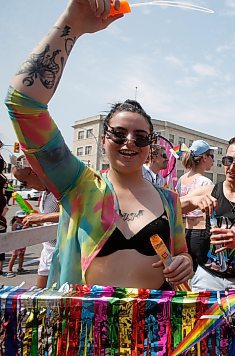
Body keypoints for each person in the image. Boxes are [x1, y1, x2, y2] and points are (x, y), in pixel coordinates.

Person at [5, 0, 192, 289]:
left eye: (140, 137)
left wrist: (184, 264)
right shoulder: (79, 186)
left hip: (156, 330)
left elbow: (180, 258)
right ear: (104, 139)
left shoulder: (170, 201)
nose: (129, 141)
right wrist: (71, 24)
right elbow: (23, 104)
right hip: (84, 330)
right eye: (119, 133)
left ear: (149, 145)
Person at [182, 137, 235, 290]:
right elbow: (170, 207)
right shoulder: (211, 190)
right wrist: (194, 201)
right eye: (228, 160)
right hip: (207, 278)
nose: (232, 167)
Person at [12, 161, 59, 288]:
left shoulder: (59, 190)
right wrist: (35, 221)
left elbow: (74, 215)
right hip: (48, 250)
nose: (26, 186)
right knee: (39, 298)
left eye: (24, 182)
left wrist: (41, 217)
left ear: (34, 172)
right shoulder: (44, 192)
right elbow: (49, 221)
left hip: (62, 253)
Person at [176, 140, 215, 267]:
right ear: (204, 157)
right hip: (202, 231)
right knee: (201, 271)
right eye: (211, 156)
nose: (213, 160)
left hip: (185, 230)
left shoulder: (182, 179)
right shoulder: (206, 182)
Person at [6, 212, 28, 278]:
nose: (22, 219)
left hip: (23, 242)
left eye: (23, 217)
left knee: (21, 255)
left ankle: (20, 268)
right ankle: (9, 270)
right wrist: (22, 229)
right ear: (16, 217)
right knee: (14, 256)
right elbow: (14, 233)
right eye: (20, 218)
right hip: (16, 242)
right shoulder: (15, 224)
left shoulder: (24, 223)